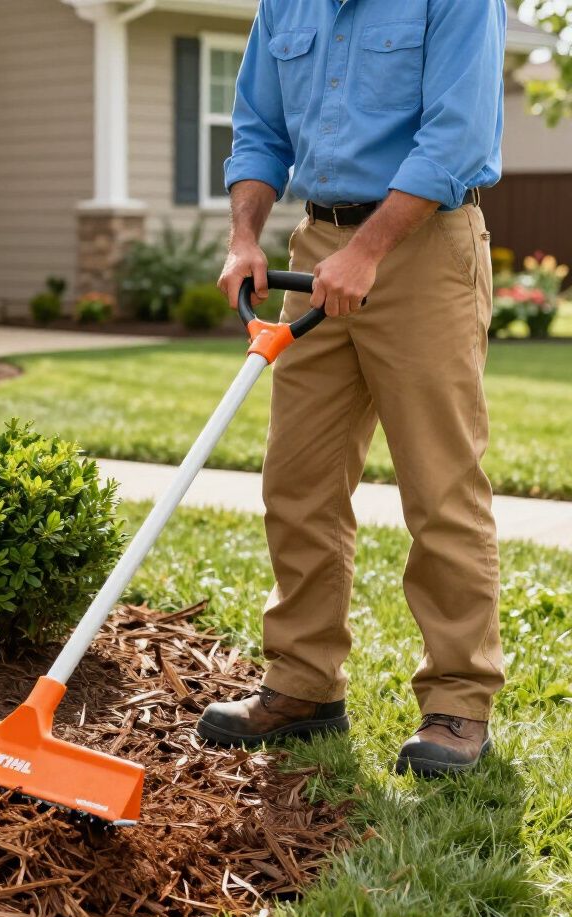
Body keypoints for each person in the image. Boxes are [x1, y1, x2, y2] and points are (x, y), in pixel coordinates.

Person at [197, 0, 507, 776]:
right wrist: (244, 238)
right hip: (319, 247)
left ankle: (459, 703)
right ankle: (303, 683)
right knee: (297, 477)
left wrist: (368, 251)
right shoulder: (286, 4)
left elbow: (456, 136)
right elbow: (260, 129)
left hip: (425, 246)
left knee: (440, 484)